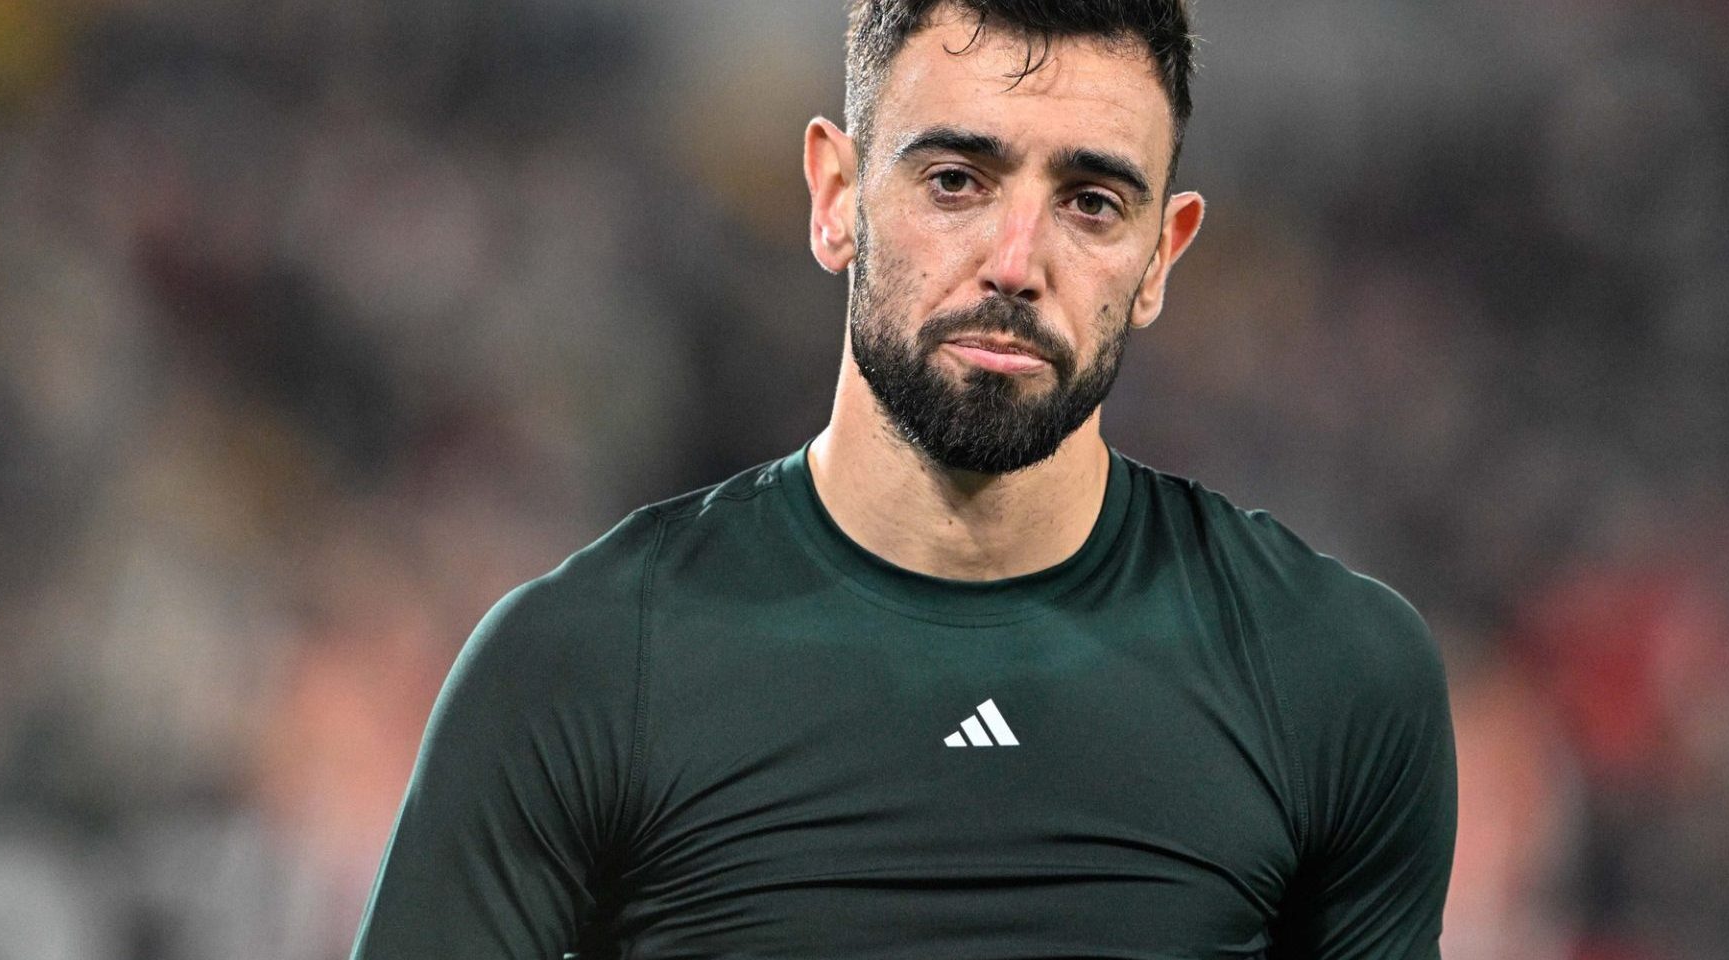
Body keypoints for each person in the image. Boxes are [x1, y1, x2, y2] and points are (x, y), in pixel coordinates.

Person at [351, 1, 1456, 957]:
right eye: (957, 180)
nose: (1017, 262)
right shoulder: (583, 665)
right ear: (835, 193)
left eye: (1091, 203)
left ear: (1163, 255)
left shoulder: (1332, 675)